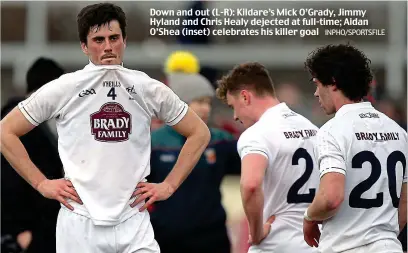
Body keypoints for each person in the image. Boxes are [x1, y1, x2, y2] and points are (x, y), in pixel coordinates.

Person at [0, 3, 210, 253]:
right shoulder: (65, 87)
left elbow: (199, 132)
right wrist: (41, 183)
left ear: (125, 40)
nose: (108, 47)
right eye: (98, 39)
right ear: (84, 46)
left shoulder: (147, 87)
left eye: (114, 38)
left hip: (133, 221)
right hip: (79, 222)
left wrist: (169, 185)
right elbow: (5, 130)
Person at [303, 43, 407, 253]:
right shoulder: (398, 131)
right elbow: (405, 201)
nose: (315, 93)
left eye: (317, 84)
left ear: (332, 82)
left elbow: (331, 197)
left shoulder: (332, 131)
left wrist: (309, 217)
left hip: (345, 247)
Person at [216, 62, 319, 252]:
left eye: (233, 106)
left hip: (275, 243)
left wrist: (255, 234)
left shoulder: (257, 134)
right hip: (314, 244)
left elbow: (250, 185)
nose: (235, 116)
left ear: (245, 97)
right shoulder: (314, 130)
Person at [148, 51, 241, 253]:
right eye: (198, 101)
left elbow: (252, 169)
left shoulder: (220, 141)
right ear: (179, 104)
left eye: (208, 102)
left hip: (211, 237)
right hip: (164, 237)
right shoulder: (154, 142)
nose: (205, 108)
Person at [1, 57, 64, 253]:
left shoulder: (42, 125)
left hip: (41, 229)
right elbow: (8, 178)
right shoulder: (21, 126)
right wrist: (20, 229)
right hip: (28, 233)